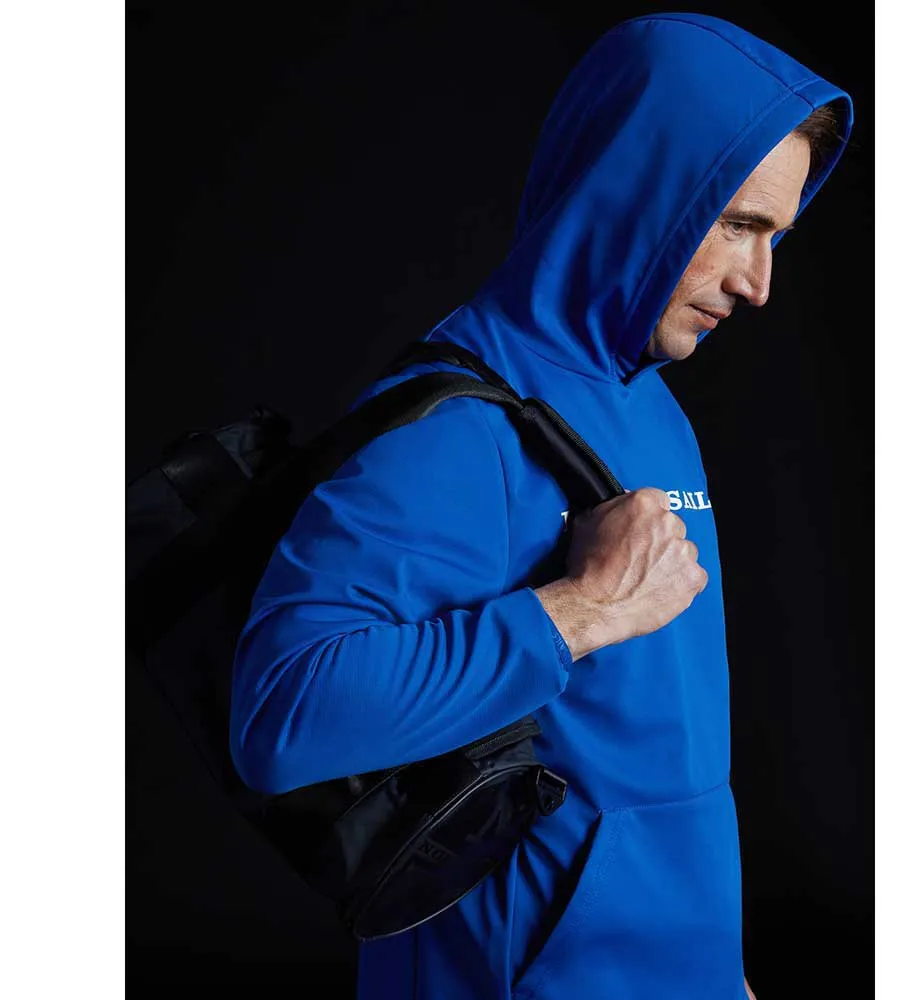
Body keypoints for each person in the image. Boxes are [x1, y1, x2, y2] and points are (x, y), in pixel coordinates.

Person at [229, 12, 852, 999]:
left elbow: (659, 755)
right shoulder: (456, 425)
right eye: (737, 224)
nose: (758, 283)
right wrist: (581, 610)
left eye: (775, 236)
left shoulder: (650, 402)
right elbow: (280, 714)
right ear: (637, 189)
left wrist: (713, 968)